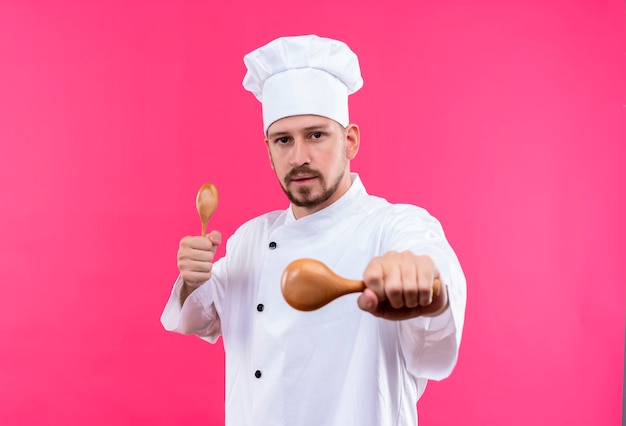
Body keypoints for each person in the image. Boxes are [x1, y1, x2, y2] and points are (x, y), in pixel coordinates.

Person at [161, 34, 466, 425]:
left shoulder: (394, 226)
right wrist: (192, 278)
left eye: (316, 135)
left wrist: (426, 285)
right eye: (283, 140)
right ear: (268, 152)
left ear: (350, 140)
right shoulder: (249, 241)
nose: (299, 157)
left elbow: (436, 276)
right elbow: (198, 319)